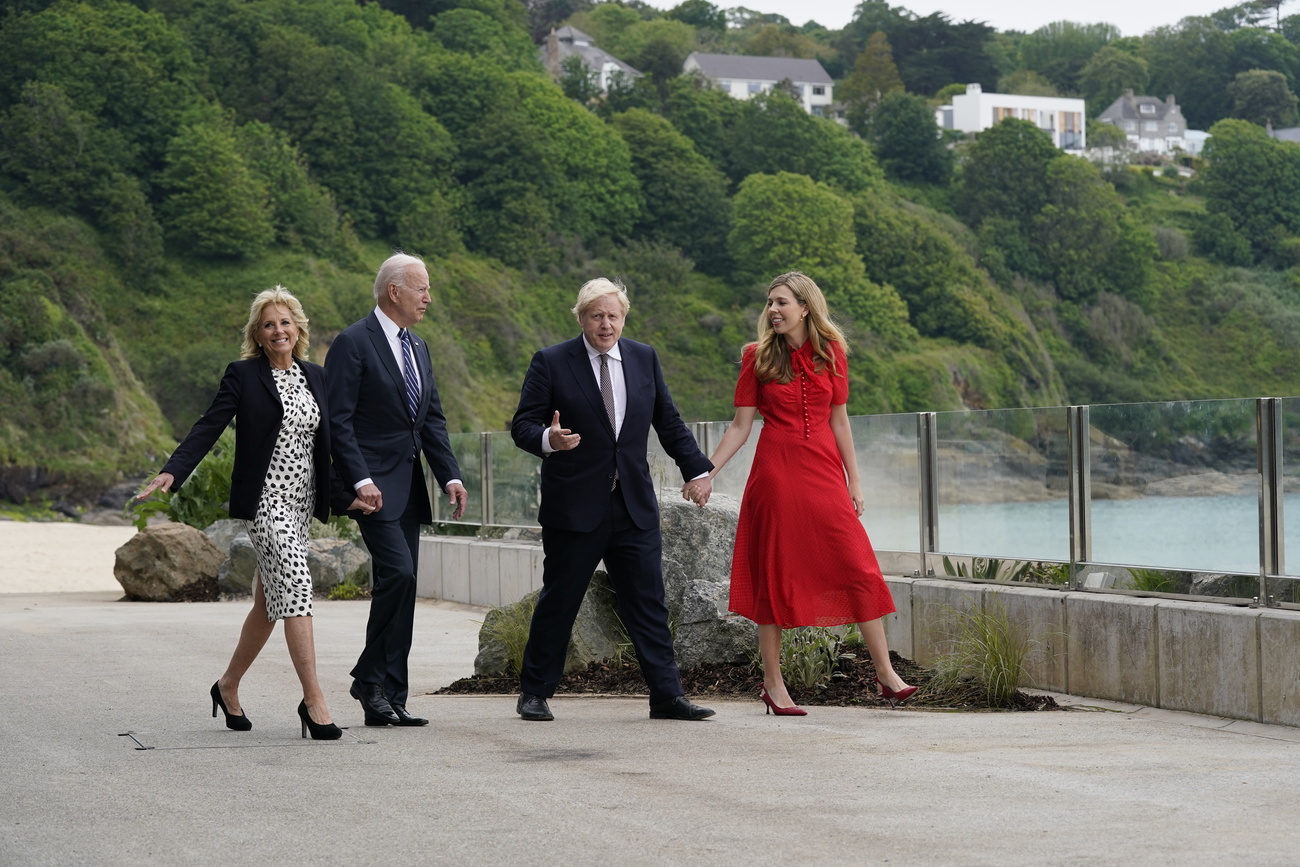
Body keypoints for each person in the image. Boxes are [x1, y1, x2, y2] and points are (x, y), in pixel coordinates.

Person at [136, 286, 368, 740]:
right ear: (257, 335)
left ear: (297, 328)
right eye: (268, 325)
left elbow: (328, 448)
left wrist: (350, 493)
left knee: (268, 604)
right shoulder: (243, 376)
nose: (278, 330)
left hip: (301, 505)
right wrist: (173, 471)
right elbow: (209, 425)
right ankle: (314, 700)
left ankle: (227, 686)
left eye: (284, 322)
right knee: (298, 588)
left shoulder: (316, 377)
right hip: (264, 503)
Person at [682, 271, 916, 716]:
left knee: (859, 566)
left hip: (824, 473)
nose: (772, 310)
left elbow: (840, 421)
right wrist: (706, 473)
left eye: (782, 302)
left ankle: (885, 674)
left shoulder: (833, 354)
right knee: (775, 576)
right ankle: (774, 684)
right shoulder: (756, 357)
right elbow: (740, 427)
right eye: (769, 302)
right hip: (776, 474)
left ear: (805, 307)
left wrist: (855, 481)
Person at [509, 277, 716, 722]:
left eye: (613, 316)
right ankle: (534, 693)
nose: (606, 324)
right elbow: (522, 425)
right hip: (575, 507)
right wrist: (550, 438)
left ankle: (666, 695)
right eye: (597, 315)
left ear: (624, 318)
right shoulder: (551, 361)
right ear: (582, 318)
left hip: (633, 505)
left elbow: (670, 421)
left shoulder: (643, 358)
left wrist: (697, 470)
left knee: (648, 603)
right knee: (560, 601)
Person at [327, 252, 468, 727]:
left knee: (402, 588)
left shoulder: (419, 347)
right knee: (400, 576)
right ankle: (370, 679)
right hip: (372, 488)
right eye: (422, 288)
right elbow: (338, 421)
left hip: (409, 487)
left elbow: (431, 420)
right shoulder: (353, 342)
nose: (429, 297)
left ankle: (389, 695)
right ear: (394, 291)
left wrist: (449, 474)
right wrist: (360, 479)